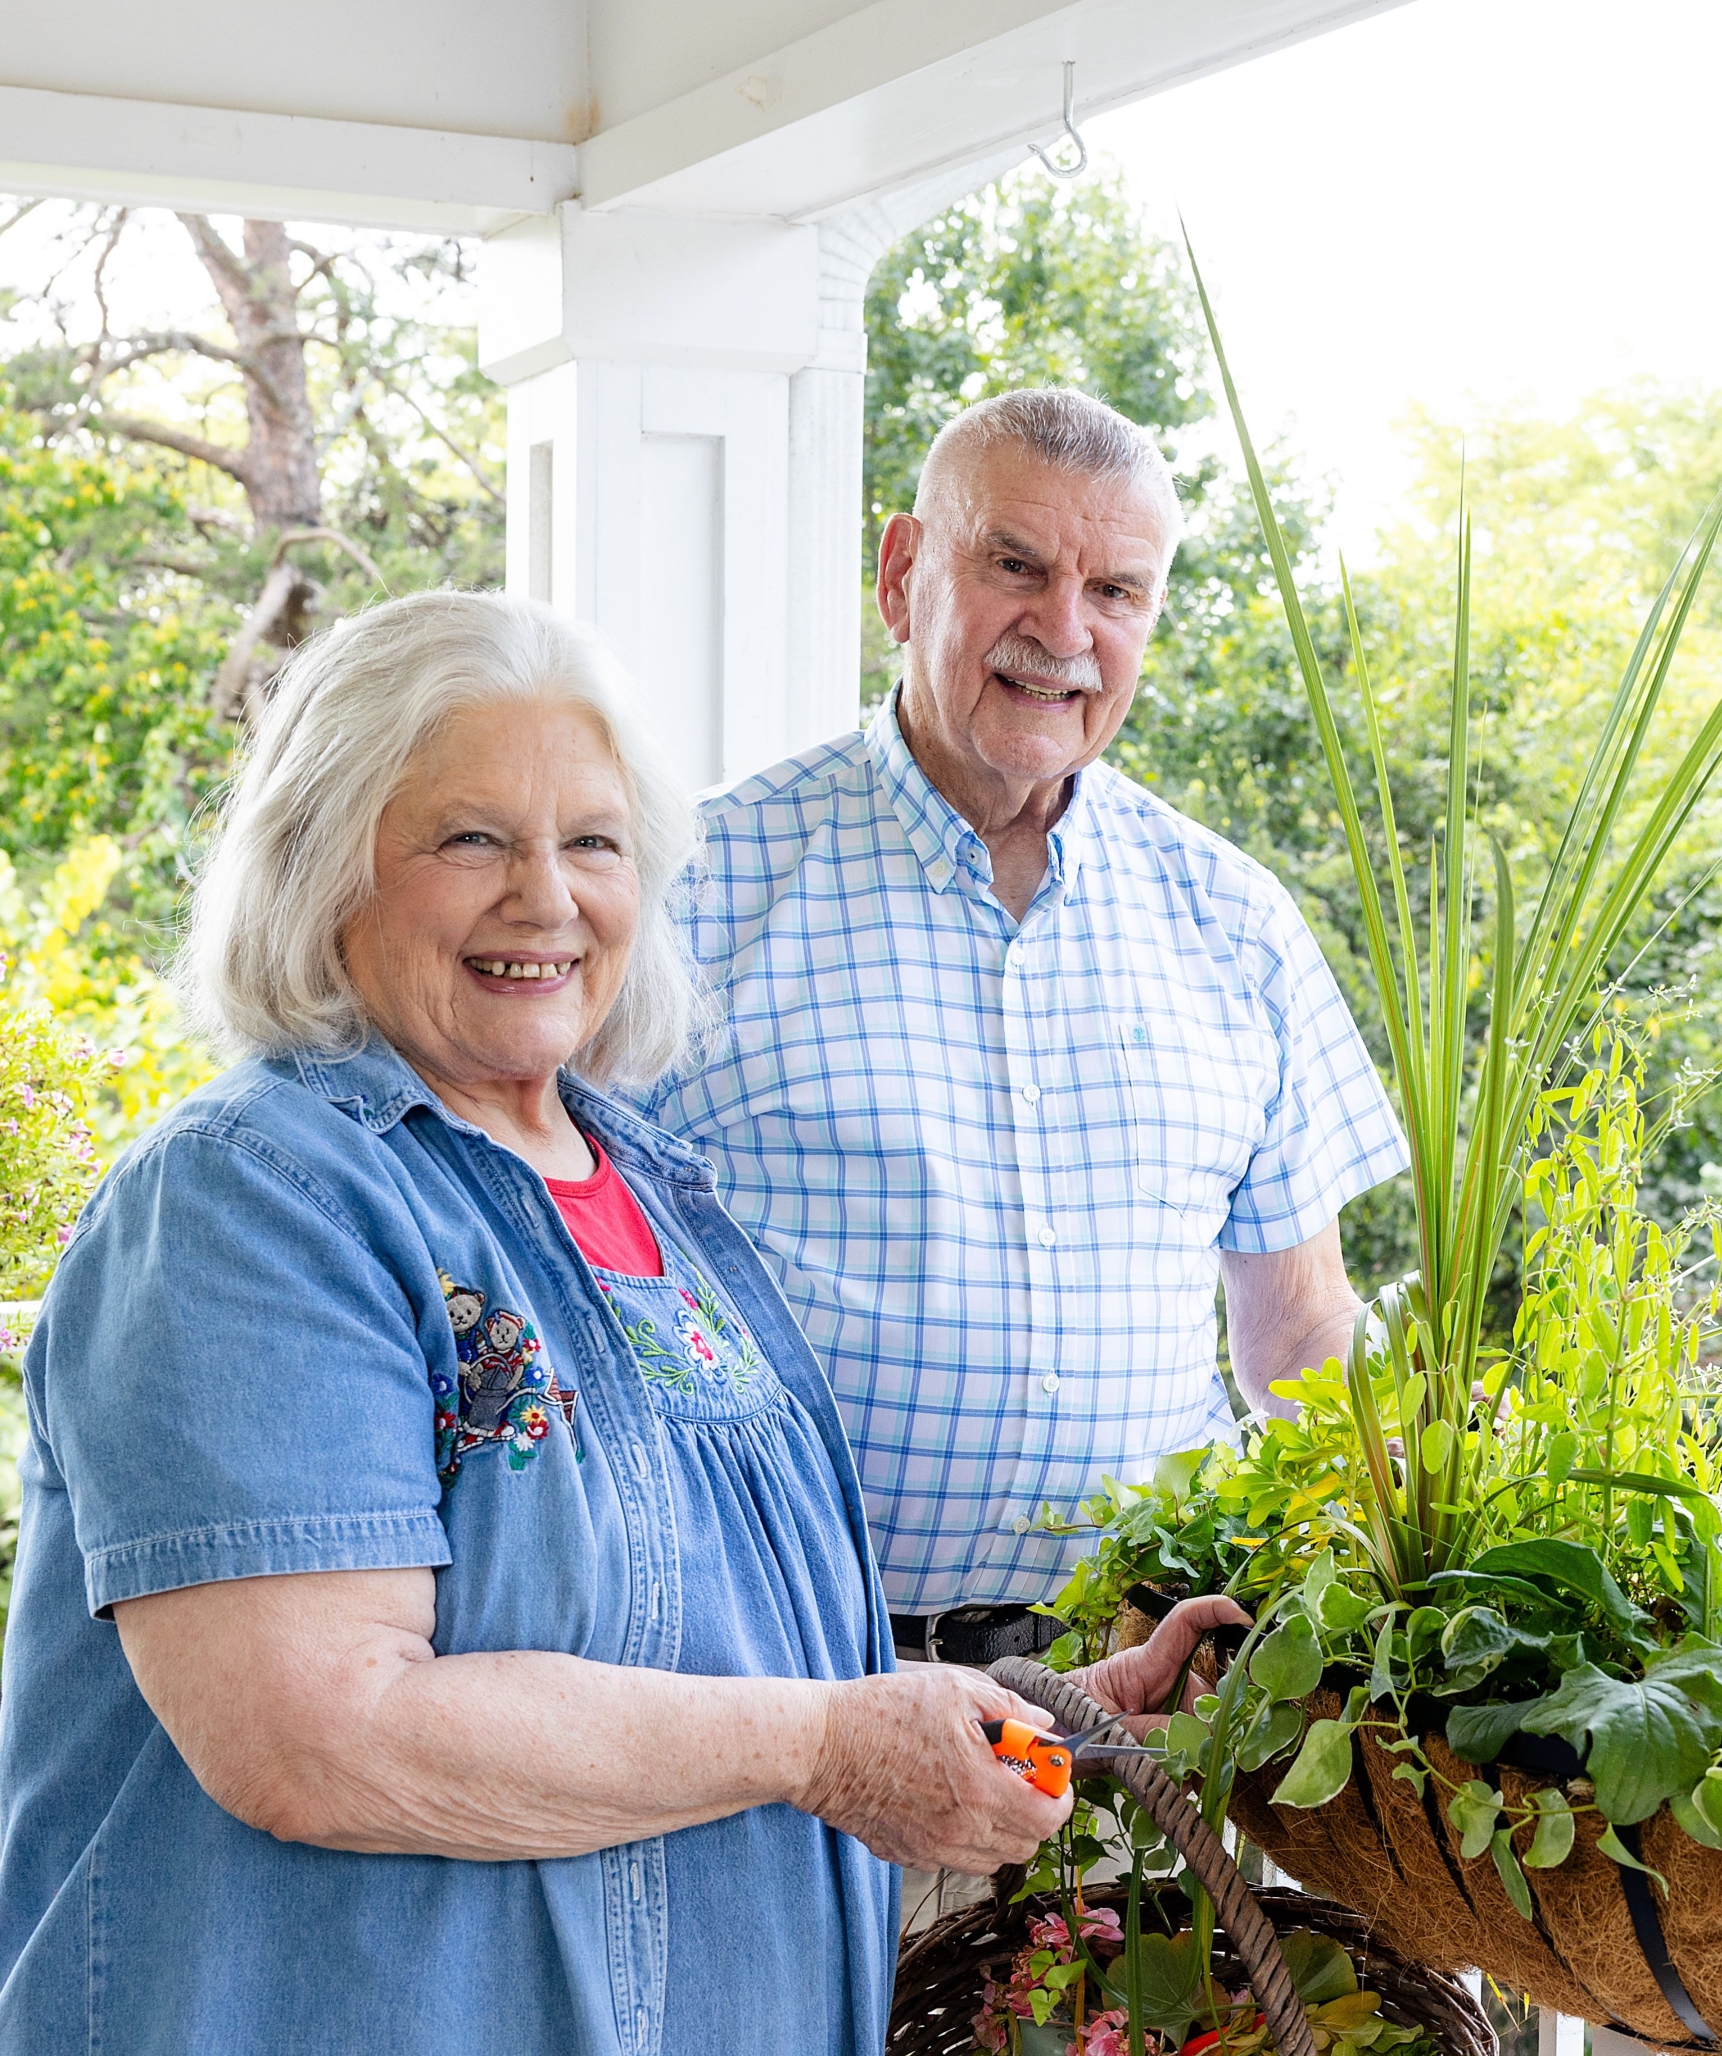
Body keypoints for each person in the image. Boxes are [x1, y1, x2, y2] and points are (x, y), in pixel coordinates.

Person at [0, 590, 1229, 2055]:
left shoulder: (649, 1185)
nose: (547, 898)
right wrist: (827, 1747)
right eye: (472, 840)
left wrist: (1018, 1722)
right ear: (327, 870)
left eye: (592, 842)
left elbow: (691, 1652)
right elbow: (320, 1738)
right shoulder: (248, 1205)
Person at [642, 389, 1406, 1669]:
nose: (1063, 631)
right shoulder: (694, 888)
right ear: (901, 574)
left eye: (1115, 591)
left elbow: (1299, 1336)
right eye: (1015, 566)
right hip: (787, 1685)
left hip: (1151, 1700)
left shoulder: (1232, 918)